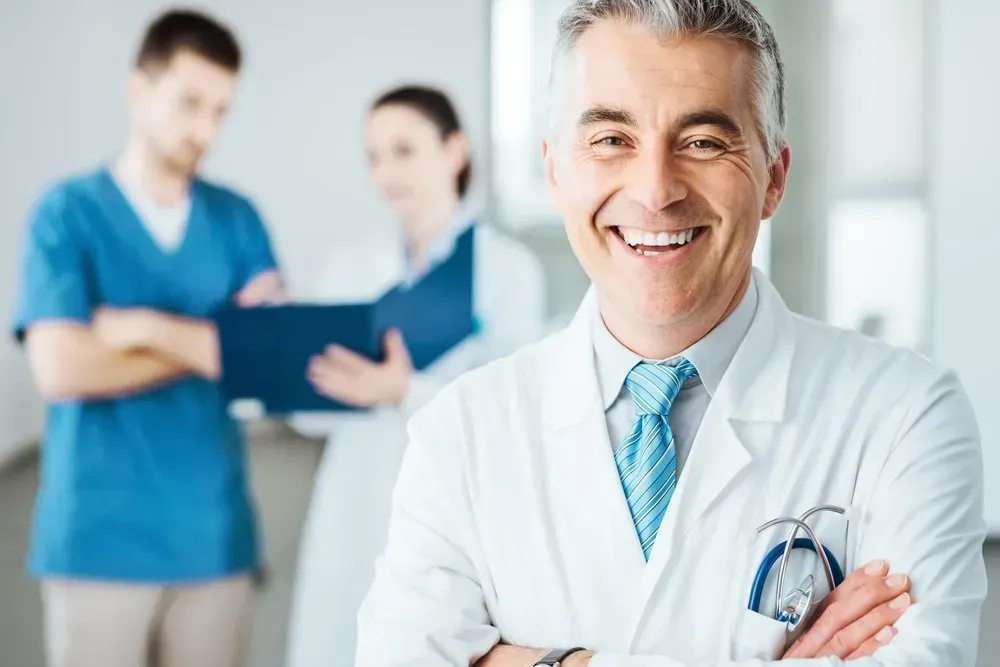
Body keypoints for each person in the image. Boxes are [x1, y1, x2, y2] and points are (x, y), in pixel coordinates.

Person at [355, 1, 988, 666]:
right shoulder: (458, 431)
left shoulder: (905, 414)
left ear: (773, 178)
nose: (656, 190)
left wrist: (536, 661)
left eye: (704, 142)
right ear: (554, 172)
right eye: (610, 140)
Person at [11, 10, 284, 667]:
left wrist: (139, 327)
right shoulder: (65, 214)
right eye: (189, 103)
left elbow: (269, 361)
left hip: (213, 538)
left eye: (220, 110)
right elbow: (60, 369)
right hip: (98, 539)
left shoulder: (236, 218)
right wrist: (215, 346)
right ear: (138, 90)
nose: (205, 130)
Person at [284, 85, 548, 667]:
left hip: (456, 508)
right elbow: (305, 415)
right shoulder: (350, 265)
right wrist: (287, 348)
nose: (385, 171)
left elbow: (514, 417)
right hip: (352, 498)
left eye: (403, 150)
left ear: (454, 150)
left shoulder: (507, 270)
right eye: (373, 156)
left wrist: (404, 392)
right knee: (338, 639)